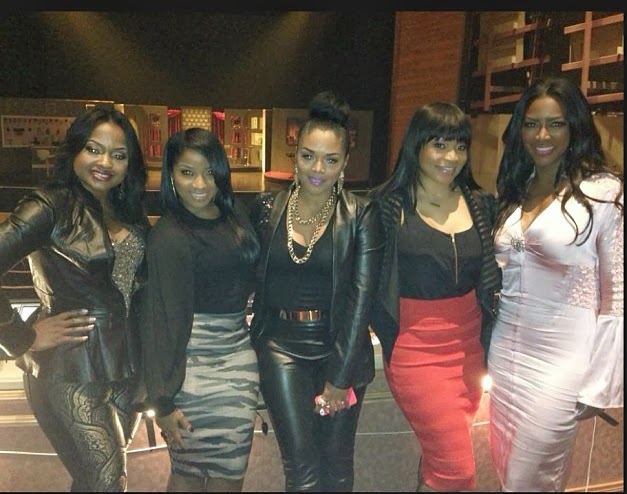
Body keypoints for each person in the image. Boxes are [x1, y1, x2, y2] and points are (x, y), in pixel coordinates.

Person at [0, 107, 150, 491]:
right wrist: (21, 338)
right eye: (94, 149)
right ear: (75, 151)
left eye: (119, 155)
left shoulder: (128, 209)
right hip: (70, 366)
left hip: (127, 365)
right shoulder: (48, 206)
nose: (105, 163)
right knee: (109, 482)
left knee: (92, 480)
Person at [488, 76, 624, 492]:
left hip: (560, 365)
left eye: (556, 124)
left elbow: (617, 298)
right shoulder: (519, 185)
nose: (542, 135)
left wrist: (599, 384)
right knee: (507, 472)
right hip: (505, 356)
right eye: (532, 124)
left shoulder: (603, 193)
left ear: (575, 127)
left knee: (527, 480)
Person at [249, 90, 385, 491]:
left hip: (340, 349)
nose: (317, 169)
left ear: (345, 162)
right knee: (302, 468)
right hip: (280, 347)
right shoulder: (267, 209)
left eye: (330, 159)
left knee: (337, 466)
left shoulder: (361, 214)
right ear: (294, 153)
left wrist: (340, 378)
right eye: (308, 156)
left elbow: (362, 299)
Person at [369, 102, 501, 492]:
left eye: (459, 146)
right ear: (417, 146)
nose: (451, 157)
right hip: (414, 349)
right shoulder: (387, 205)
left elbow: (499, 270)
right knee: (457, 471)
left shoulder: (480, 203)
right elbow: (364, 279)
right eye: (439, 145)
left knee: (439, 466)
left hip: (469, 349)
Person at [140, 128, 261, 492]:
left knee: (231, 474)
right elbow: (160, 321)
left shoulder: (235, 215)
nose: (200, 184)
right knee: (188, 474)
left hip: (238, 363)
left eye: (210, 172)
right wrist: (162, 401)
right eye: (187, 172)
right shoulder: (168, 236)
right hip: (189, 371)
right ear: (170, 175)